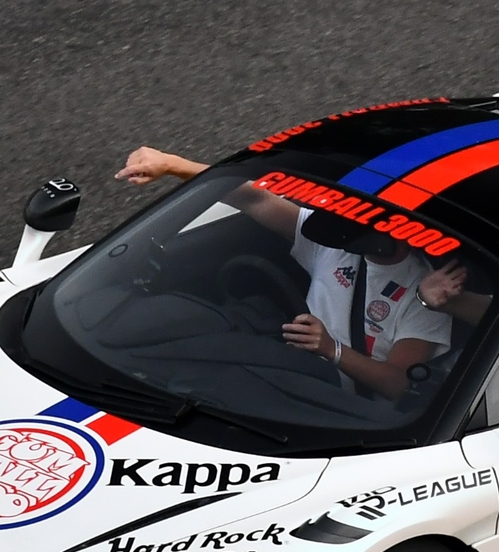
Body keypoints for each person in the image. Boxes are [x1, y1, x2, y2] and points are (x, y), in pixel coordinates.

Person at [117, 147, 479, 399]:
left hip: (337, 405)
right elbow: (254, 198)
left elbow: (398, 384)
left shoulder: (424, 295)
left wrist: (331, 349)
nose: (339, 225)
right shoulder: (334, 243)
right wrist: (172, 164)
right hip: (288, 372)